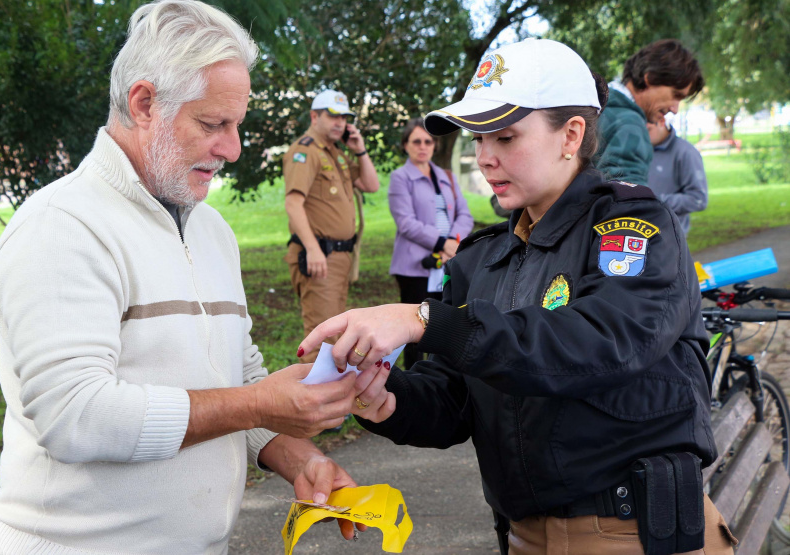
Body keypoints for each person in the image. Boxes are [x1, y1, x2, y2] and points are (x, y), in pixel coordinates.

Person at [299, 38, 736, 555]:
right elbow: (455, 399)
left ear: (571, 134)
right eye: (478, 138)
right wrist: (385, 398)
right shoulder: (481, 259)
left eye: (504, 137)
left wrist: (425, 320)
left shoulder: (633, 228)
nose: (485, 158)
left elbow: (602, 341)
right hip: (523, 534)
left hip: (631, 532)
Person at [0, 2, 377, 553]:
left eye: (236, 124)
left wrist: (299, 458)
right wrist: (261, 404)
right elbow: (74, 414)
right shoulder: (62, 227)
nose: (233, 148)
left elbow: (236, 375)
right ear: (144, 103)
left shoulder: (211, 229)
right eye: (213, 123)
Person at [283, 89, 380, 363]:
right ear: (314, 116)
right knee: (321, 341)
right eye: (333, 116)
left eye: (344, 118)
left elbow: (371, 185)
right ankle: (314, 403)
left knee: (336, 336)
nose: (340, 123)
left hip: (338, 259)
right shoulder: (305, 151)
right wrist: (313, 250)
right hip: (320, 257)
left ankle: (332, 403)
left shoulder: (336, 154)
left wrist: (359, 149)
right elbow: (293, 204)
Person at [387, 118, 473, 368]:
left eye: (428, 141)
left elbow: (465, 214)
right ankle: (412, 380)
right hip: (414, 267)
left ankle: (438, 378)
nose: (423, 146)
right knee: (412, 330)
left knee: (442, 322)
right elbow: (405, 222)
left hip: (447, 260)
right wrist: (442, 243)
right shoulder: (400, 178)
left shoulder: (446, 176)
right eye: (416, 141)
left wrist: (453, 243)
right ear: (406, 145)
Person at [594, 39, 704, 186]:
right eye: (676, 95)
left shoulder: (595, 108)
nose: (675, 109)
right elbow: (628, 205)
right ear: (650, 78)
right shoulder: (630, 126)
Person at [646, 119, 708, 235]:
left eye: (648, 130)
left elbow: (698, 199)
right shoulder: (639, 148)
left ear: (661, 122)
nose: (643, 135)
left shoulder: (686, 152)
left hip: (669, 239)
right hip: (636, 237)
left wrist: (654, 201)